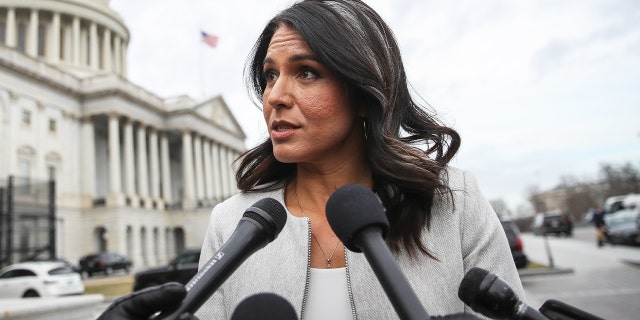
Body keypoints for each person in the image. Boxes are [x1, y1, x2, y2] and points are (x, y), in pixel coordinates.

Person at [98, 0, 524, 319]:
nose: (275, 97)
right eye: (269, 75)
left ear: (363, 92)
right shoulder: (233, 223)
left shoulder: (453, 201)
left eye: (306, 72)